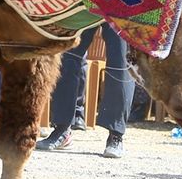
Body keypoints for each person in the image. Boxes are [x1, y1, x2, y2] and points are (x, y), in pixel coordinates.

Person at [37, 24, 133, 158]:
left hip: (121, 5)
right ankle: (62, 129)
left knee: (121, 62)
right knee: (67, 56)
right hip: (86, 4)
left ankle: (116, 135)